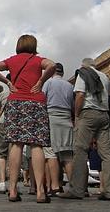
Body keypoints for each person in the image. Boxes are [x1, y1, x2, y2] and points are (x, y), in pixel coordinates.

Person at [0, 34, 56, 203]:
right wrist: (41, 81)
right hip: (35, 103)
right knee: (37, 145)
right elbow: (52, 65)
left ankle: (12, 190)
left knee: (16, 144)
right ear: (34, 45)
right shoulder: (38, 60)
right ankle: (40, 191)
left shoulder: (12, 60)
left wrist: (8, 83)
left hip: (16, 102)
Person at [59, 58, 110, 201]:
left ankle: (77, 190)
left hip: (88, 113)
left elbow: (80, 95)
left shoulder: (83, 73)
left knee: (80, 150)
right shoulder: (105, 77)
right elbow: (106, 95)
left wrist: (77, 115)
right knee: (106, 153)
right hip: (104, 114)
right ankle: (109, 191)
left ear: (83, 65)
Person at [41, 62, 75, 195]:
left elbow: (42, 99)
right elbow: (72, 105)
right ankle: (73, 187)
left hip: (52, 117)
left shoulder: (48, 83)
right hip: (66, 118)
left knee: (51, 152)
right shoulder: (69, 85)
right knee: (67, 155)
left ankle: (55, 186)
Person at [0, 78, 11, 194]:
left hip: (3, 123)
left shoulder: (3, 93)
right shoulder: (20, 91)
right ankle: (13, 184)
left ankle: (2, 183)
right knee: (15, 151)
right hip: (16, 124)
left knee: (1, 153)